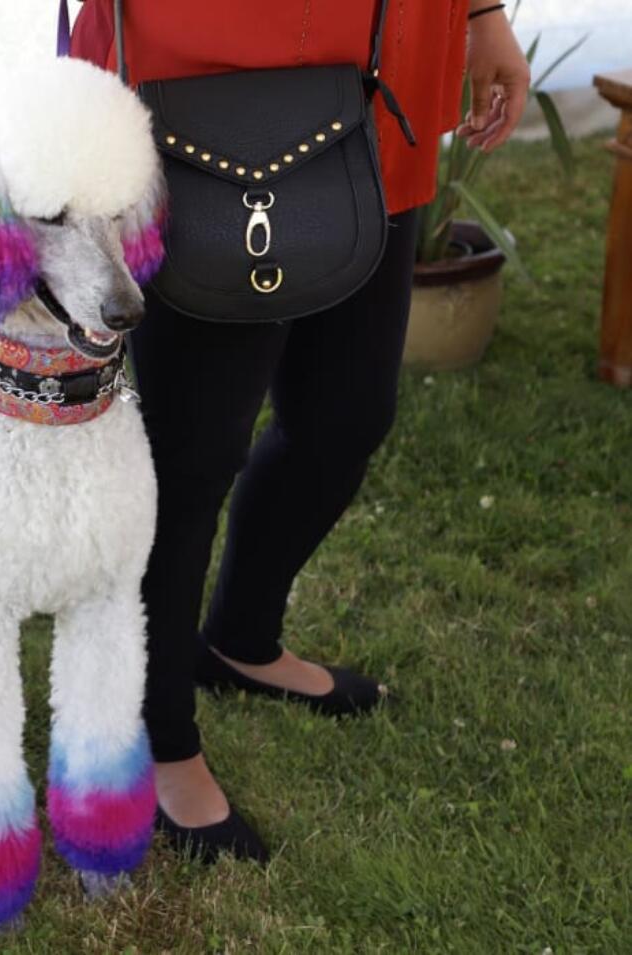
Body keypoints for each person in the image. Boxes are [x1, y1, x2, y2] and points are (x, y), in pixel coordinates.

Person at [70, 0, 531, 861]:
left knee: (346, 414)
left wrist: (482, 14)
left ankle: (239, 638)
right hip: (207, 80)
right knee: (190, 454)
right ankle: (157, 732)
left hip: (380, 75)